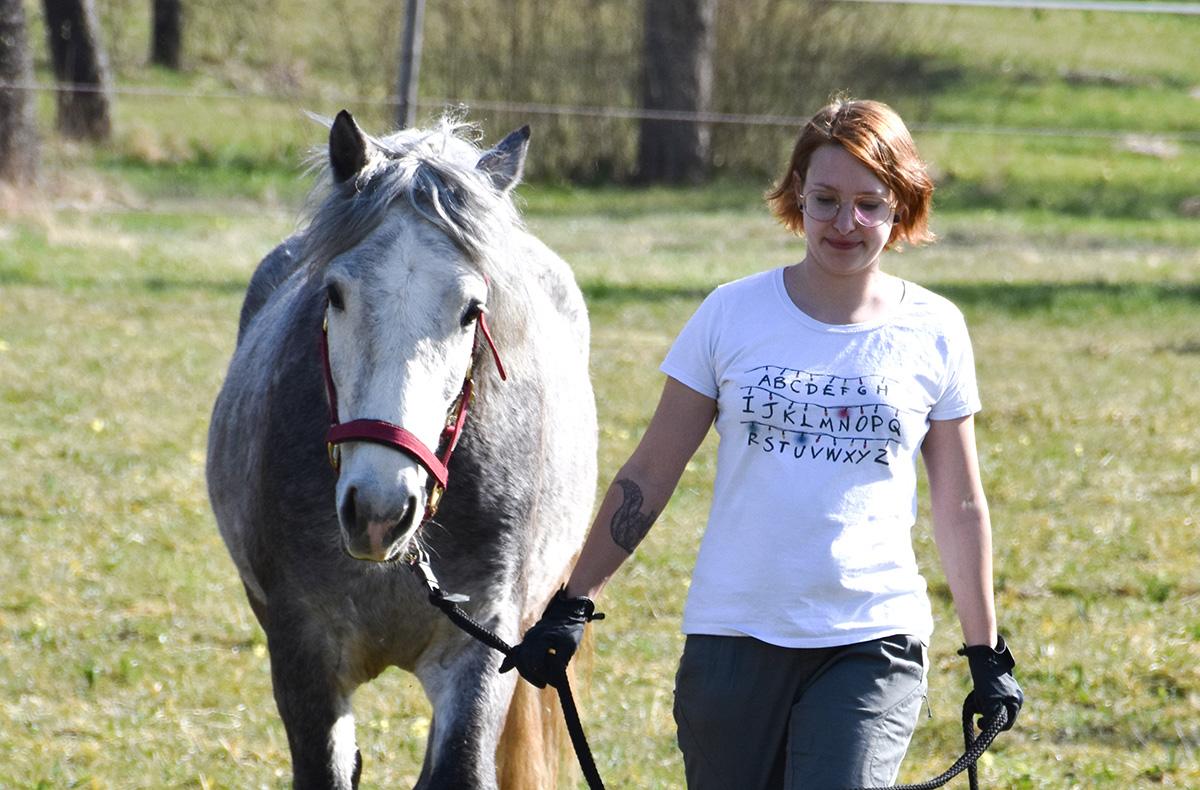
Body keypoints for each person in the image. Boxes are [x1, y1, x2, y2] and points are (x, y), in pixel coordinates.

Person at [501, 99, 1023, 789]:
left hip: (872, 639)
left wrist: (986, 652)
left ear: (902, 206)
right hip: (732, 639)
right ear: (797, 194)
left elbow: (960, 504)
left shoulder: (935, 329)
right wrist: (572, 601)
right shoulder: (731, 313)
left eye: (869, 204)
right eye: (827, 199)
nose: (845, 223)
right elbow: (652, 471)